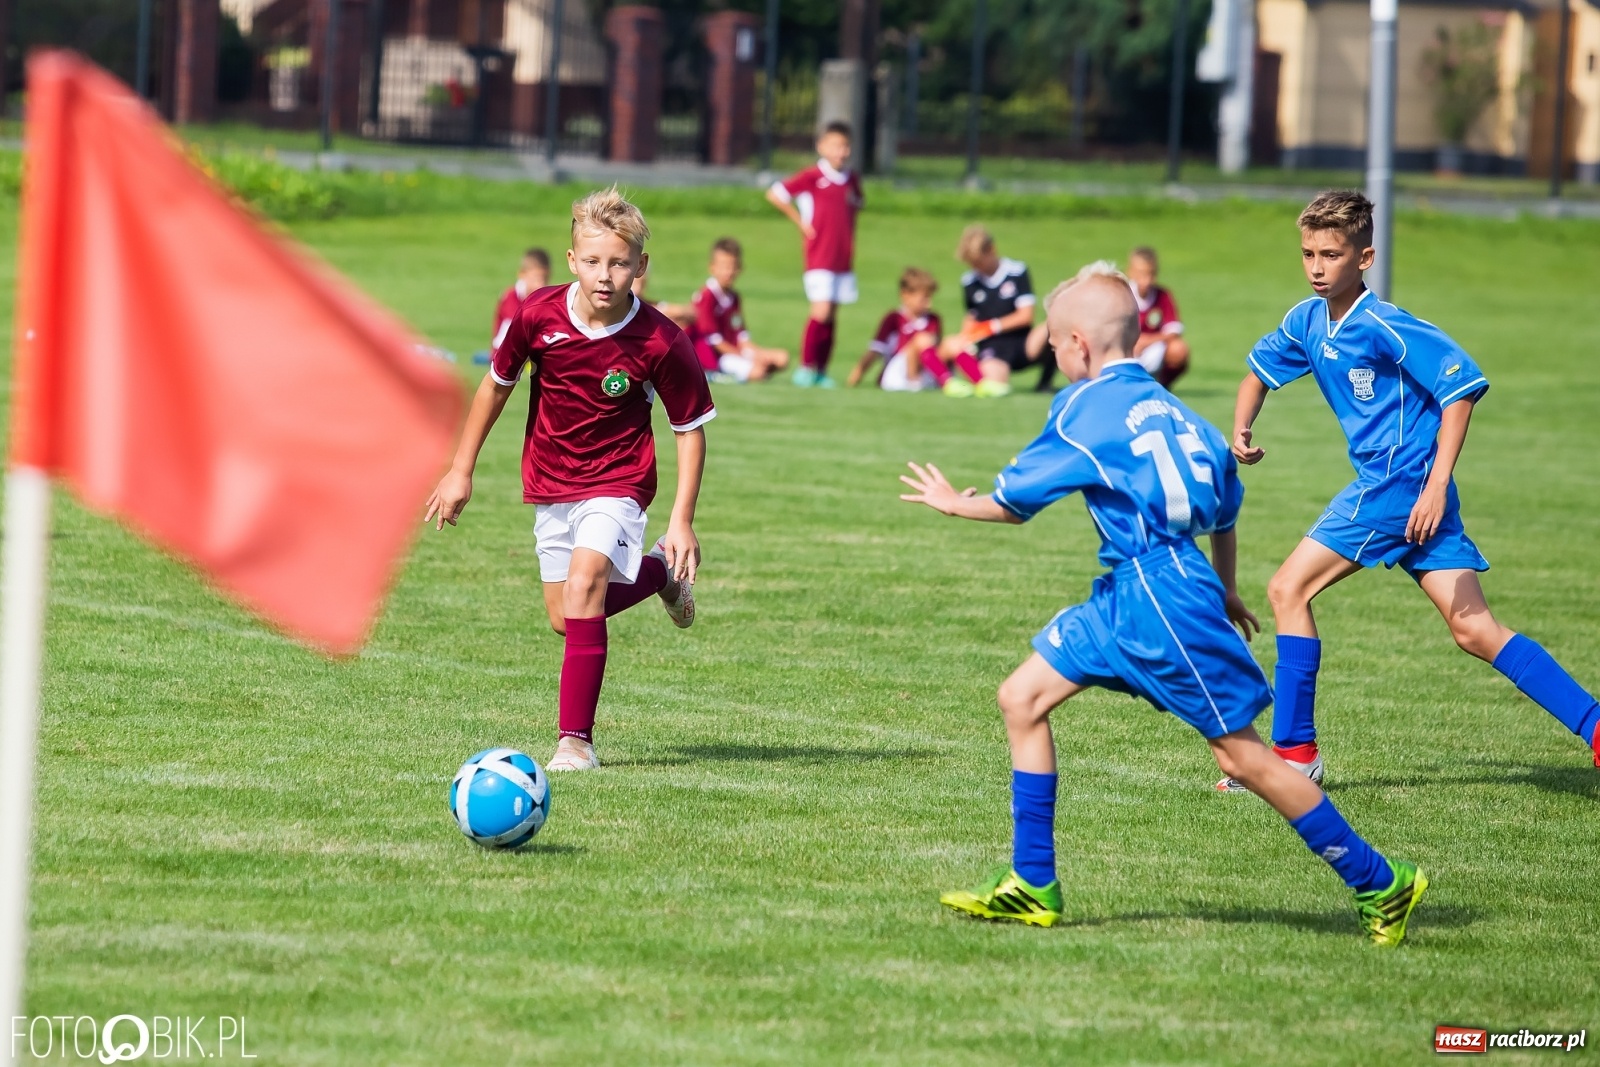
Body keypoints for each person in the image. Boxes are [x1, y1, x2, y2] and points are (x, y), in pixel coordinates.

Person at [899, 261, 1426, 945]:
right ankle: (1032, 884)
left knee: (1242, 758)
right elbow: (1225, 508)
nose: (1054, 356)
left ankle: (1380, 879)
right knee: (1021, 698)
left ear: (1079, 345)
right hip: (1137, 590)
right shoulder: (1183, 414)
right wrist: (1227, 585)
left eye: (1054, 344)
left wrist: (953, 503)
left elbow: (1013, 503)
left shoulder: (1084, 408)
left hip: (1158, 596)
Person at [1223, 189, 1600, 790]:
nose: (1317, 267)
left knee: (1287, 588)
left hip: (1397, 484)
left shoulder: (1385, 325)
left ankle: (1294, 755)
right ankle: (1596, 726)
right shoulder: (1306, 320)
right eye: (1309, 254)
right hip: (1410, 493)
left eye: (1332, 255)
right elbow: (1257, 374)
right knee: (1475, 630)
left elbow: (1460, 389)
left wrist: (1436, 485)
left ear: (1365, 258)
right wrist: (1242, 427)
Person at [424, 188, 715, 773]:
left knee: (585, 587)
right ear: (571, 259)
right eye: (592, 261)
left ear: (641, 266)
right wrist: (460, 469)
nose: (605, 275)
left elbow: (689, 430)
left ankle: (575, 742)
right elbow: (495, 386)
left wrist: (682, 519)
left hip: (620, 479)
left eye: (619, 263)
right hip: (551, 479)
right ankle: (657, 573)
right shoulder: (537, 315)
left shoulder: (661, 340)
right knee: (566, 617)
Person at [765, 121, 864, 389]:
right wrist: (801, 222)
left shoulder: (852, 179)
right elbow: (775, 194)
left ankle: (822, 370)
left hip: (842, 257)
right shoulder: (812, 176)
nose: (841, 152)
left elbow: (857, 205)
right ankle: (806, 367)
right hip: (819, 255)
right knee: (820, 311)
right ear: (822, 147)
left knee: (831, 313)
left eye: (845, 146)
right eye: (835, 145)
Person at [935, 225, 1037, 398]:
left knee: (1052, 329)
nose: (976, 267)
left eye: (978, 261)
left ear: (991, 250)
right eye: (972, 263)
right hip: (991, 346)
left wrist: (992, 326)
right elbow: (972, 315)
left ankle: (1046, 384)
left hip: (1021, 341)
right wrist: (966, 337)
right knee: (950, 345)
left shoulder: (1017, 271)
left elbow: (1026, 316)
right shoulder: (969, 281)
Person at [689, 237, 790, 384]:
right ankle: (718, 375)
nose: (729, 272)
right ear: (712, 267)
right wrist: (744, 357)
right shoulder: (707, 297)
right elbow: (714, 341)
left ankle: (751, 371)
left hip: (736, 351)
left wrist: (759, 354)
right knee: (758, 372)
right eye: (724, 266)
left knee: (782, 358)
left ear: (740, 268)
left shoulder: (734, 297)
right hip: (718, 356)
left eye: (733, 266)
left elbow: (741, 336)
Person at [846, 267, 960, 393]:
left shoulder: (933, 319)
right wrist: (854, 378)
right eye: (924, 299)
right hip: (898, 374)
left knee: (952, 342)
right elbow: (875, 351)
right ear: (905, 295)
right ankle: (936, 383)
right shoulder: (894, 318)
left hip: (923, 372)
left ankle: (971, 382)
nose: (929, 304)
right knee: (921, 339)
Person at [1128, 246, 1190, 388]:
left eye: (1151, 274)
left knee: (1178, 349)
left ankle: (1162, 386)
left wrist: (1147, 341)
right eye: (1141, 274)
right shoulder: (1123, 294)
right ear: (1130, 272)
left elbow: (1174, 329)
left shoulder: (1162, 296)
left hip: (1153, 349)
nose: (1146, 280)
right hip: (1127, 348)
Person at [485, 248, 550, 362]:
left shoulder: (546, 300)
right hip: (504, 359)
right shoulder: (511, 298)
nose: (541, 284)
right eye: (536, 278)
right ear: (522, 274)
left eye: (545, 279)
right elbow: (510, 341)